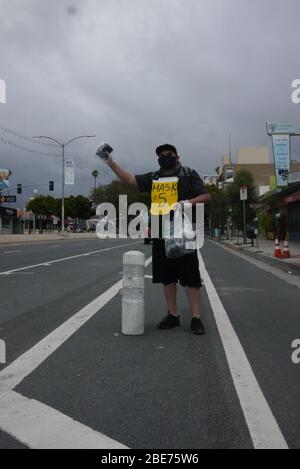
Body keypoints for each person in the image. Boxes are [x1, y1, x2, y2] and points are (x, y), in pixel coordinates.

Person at [99, 143, 211, 335]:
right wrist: (111, 163)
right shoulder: (154, 177)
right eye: (161, 155)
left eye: (169, 154)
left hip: (183, 232)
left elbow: (206, 196)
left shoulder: (188, 173)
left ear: (177, 156)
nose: (165, 156)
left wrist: (187, 203)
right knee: (167, 277)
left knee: (191, 277)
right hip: (160, 232)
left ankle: (196, 318)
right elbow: (130, 180)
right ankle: (173, 315)